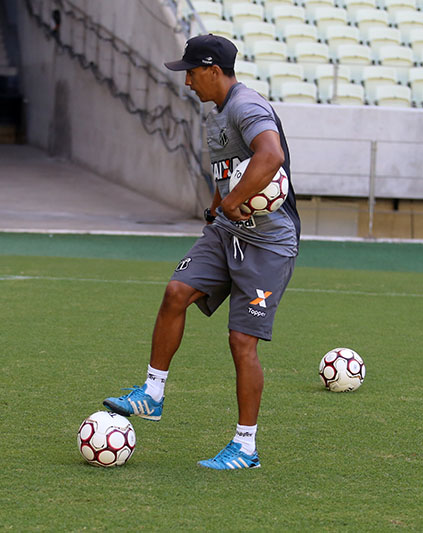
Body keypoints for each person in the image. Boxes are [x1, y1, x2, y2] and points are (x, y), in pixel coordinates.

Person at [103, 34, 301, 470]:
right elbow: (229, 170)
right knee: (176, 292)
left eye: (191, 72)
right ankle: (151, 395)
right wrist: (217, 208)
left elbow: (271, 156)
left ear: (214, 71)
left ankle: (245, 447)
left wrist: (233, 202)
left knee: (241, 341)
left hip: (268, 243)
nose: (187, 81)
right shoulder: (217, 114)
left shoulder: (247, 107)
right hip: (227, 230)